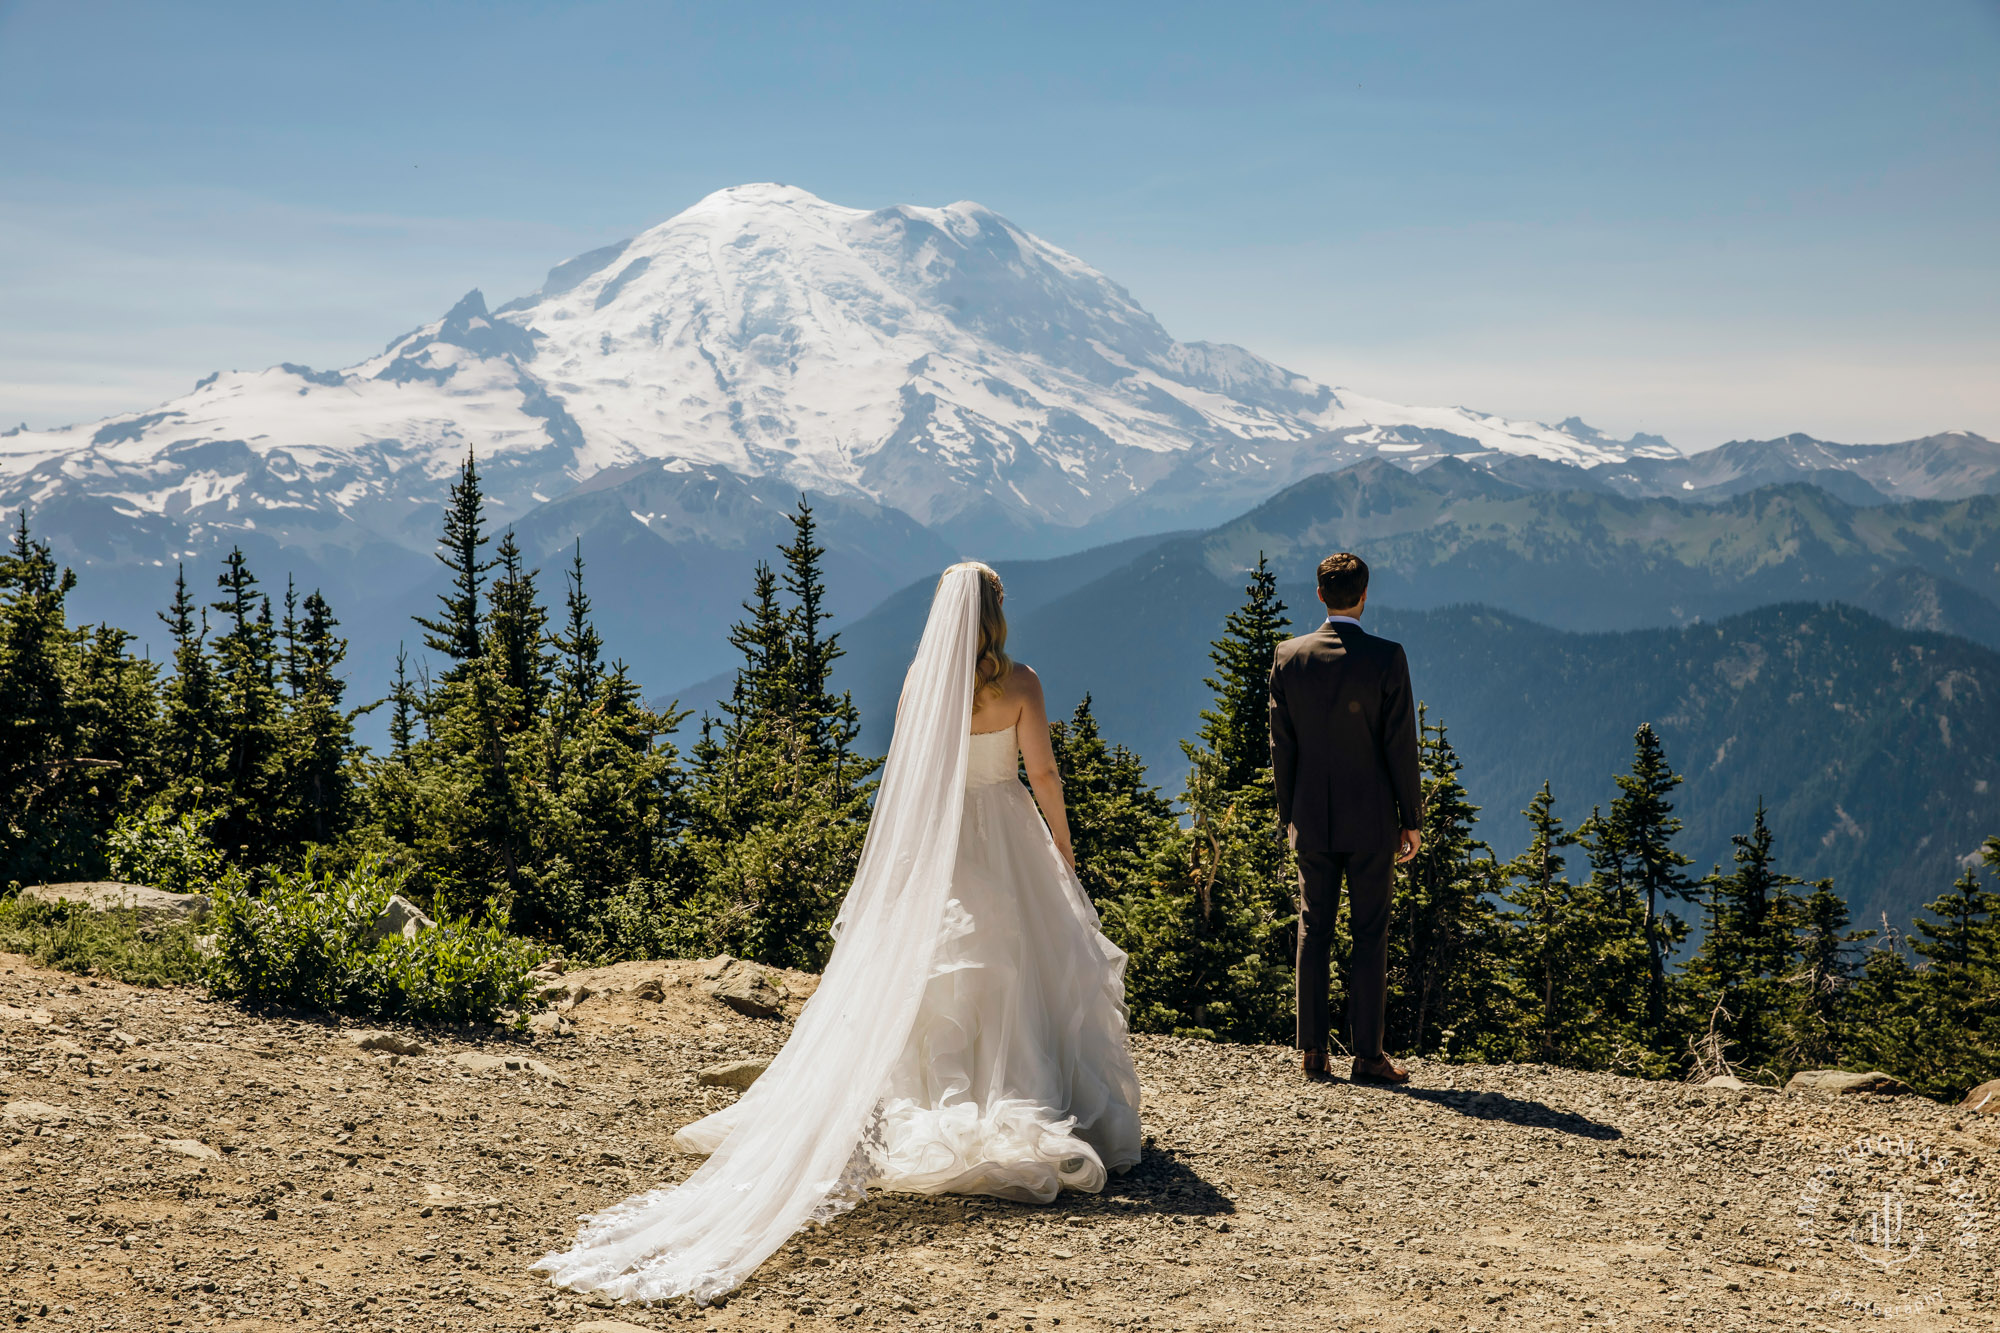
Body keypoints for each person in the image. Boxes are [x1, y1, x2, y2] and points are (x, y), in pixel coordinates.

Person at [535, 561, 1140, 1304]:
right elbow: (1043, 775)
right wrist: (1063, 854)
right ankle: (1020, 1088)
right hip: (1009, 832)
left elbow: (910, 780)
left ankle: (931, 1094)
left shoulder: (923, 681)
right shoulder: (1021, 683)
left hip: (945, 842)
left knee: (942, 970)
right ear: (996, 613)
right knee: (1017, 961)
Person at [1269, 551, 1423, 1084]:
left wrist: (1288, 813)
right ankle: (1368, 1056)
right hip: (1373, 818)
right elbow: (1401, 745)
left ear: (1319, 595)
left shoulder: (1288, 656)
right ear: (1364, 595)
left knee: (1315, 927)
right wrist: (1412, 818)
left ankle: (1313, 1052)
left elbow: (1281, 747)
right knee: (1370, 932)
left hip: (1311, 816)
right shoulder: (1386, 657)